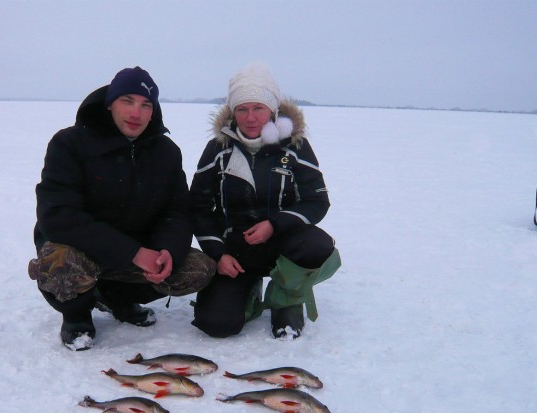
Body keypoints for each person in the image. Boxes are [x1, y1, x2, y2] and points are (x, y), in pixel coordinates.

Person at [28, 66, 216, 350]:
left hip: (135, 252)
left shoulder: (166, 151)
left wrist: (168, 249)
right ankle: (76, 316)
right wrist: (133, 253)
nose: (136, 113)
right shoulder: (70, 143)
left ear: (153, 111)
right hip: (82, 250)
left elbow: (177, 211)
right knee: (60, 262)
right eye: (127, 101)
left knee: (197, 269)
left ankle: (116, 298)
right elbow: (58, 216)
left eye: (145, 105)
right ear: (110, 103)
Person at [189, 63, 341, 340]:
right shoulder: (218, 149)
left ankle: (286, 298)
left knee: (317, 246)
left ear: (272, 110)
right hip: (234, 251)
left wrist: (275, 224)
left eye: (258, 108)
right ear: (233, 112)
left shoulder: (294, 146)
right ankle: (246, 289)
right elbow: (197, 207)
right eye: (242, 109)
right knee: (216, 324)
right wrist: (218, 254)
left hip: (283, 244)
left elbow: (317, 200)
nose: (250, 117)